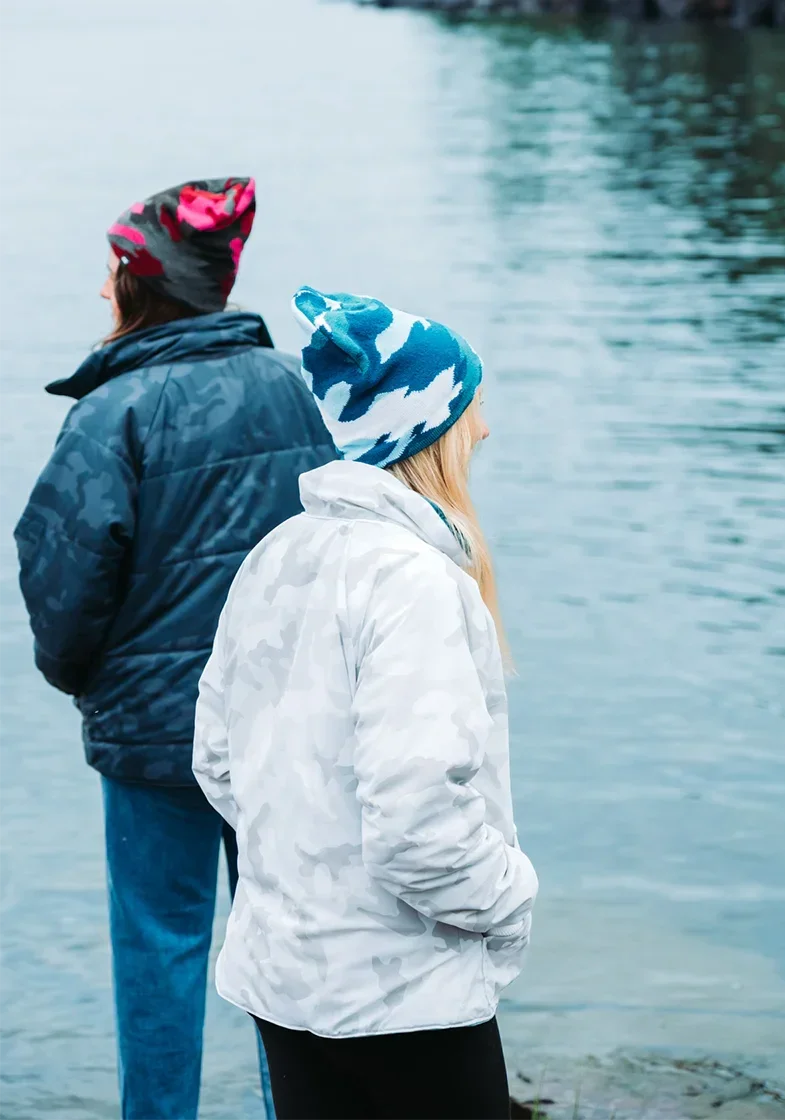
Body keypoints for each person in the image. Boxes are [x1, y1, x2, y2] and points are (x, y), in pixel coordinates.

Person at [14, 182, 335, 1120]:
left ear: (136, 283)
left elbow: (63, 577)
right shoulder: (295, 387)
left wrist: (83, 681)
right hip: (284, 731)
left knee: (160, 950)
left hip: (156, 740)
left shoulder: (113, 410)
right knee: (288, 954)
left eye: (111, 270)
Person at [193, 286, 539, 1120]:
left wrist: (307, 866)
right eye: (474, 408)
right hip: (403, 997)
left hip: (287, 986)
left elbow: (216, 759)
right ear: (430, 428)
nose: (485, 429)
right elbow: (418, 826)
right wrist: (511, 898)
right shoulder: (414, 581)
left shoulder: (279, 554)